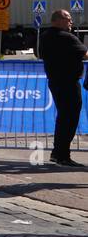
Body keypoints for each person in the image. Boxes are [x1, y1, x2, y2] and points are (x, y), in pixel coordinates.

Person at [38, 9, 85, 167]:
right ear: (56, 20)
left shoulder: (45, 37)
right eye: (68, 18)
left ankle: (58, 153)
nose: (71, 21)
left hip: (55, 82)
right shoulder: (66, 37)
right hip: (69, 83)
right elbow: (85, 54)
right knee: (70, 118)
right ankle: (62, 155)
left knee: (63, 117)